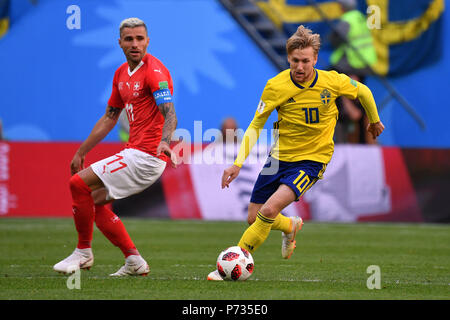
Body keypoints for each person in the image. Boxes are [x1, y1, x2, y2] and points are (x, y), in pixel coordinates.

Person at [207, 25, 384, 280]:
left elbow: (364, 91)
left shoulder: (331, 81)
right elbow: (256, 125)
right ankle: (290, 225)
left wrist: (374, 120)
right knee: (253, 216)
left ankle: (231, 266)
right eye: (294, 61)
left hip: (312, 160)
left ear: (315, 60)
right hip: (278, 158)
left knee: (268, 212)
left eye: (305, 61)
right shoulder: (276, 86)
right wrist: (237, 163)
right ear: (288, 58)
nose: (300, 67)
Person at [53, 17, 177, 277]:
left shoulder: (155, 72)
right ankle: (134, 260)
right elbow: (110, 117)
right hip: (134, 153)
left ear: (148, 41)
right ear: (119, 42)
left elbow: (170, 112)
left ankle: (83, 252)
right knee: (93, 202)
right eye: (129, 39)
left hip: (146, 156)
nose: (135, 44)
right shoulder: (121, 74)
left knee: (78, 184)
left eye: (140, 39)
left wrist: (165, 141)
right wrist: (81, 151)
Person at [329, 0, 378, 144]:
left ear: (342, 7)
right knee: (359, 100)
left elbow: (335, 40)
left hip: (350, 65)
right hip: (364, 65)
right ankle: (358, 131)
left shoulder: (347, 20)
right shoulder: (360, 18)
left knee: (330, 84)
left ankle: (349, 113)